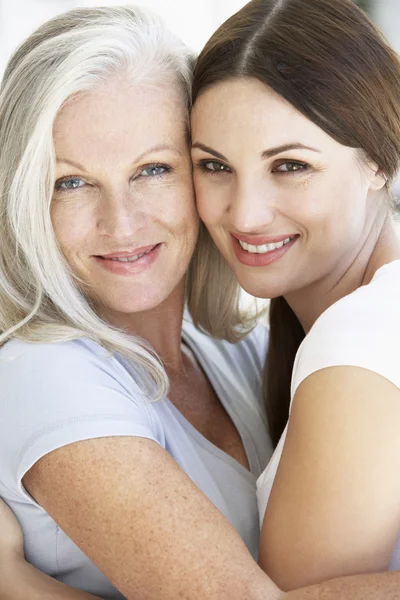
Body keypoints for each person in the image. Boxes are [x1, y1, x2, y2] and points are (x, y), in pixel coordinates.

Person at [1, 3, 400, 600]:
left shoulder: (236, 347)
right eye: (71, 182)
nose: (122, 221)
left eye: (154, 169)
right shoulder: (46, 374)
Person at [190, 0, 400, 591]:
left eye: (289, 165)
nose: (246, 214)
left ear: (378, 162)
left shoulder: (359, 342)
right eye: (214, 166)